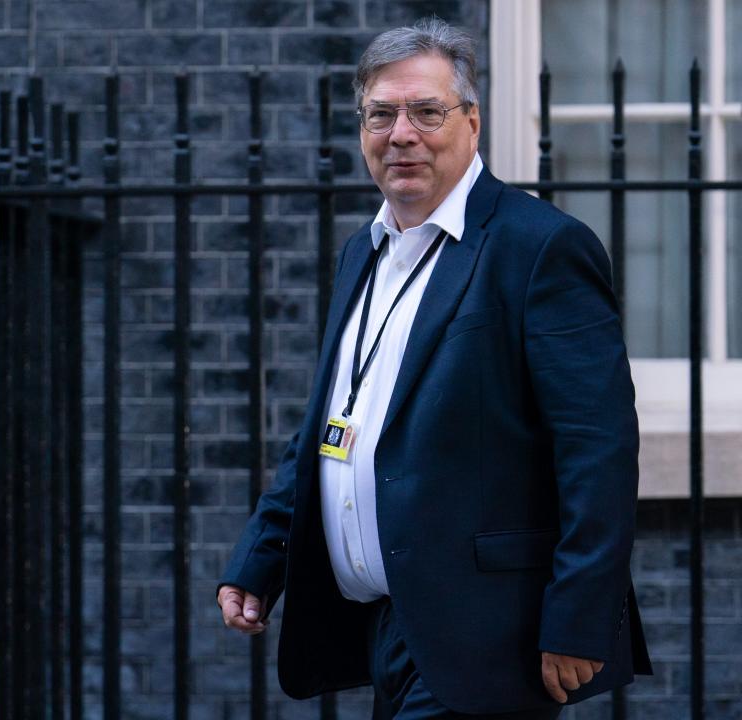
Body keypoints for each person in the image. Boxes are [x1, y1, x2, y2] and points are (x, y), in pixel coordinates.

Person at [217, 17, 652, 720]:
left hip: (489, 631)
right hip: (389, 626)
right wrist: (262, 556)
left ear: (472, 123)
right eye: (381, 114)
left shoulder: (539, 248)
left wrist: (579, 614)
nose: (402, 134)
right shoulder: (365, 251)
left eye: (426, 111)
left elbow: (597, 448)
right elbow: (336, 422)